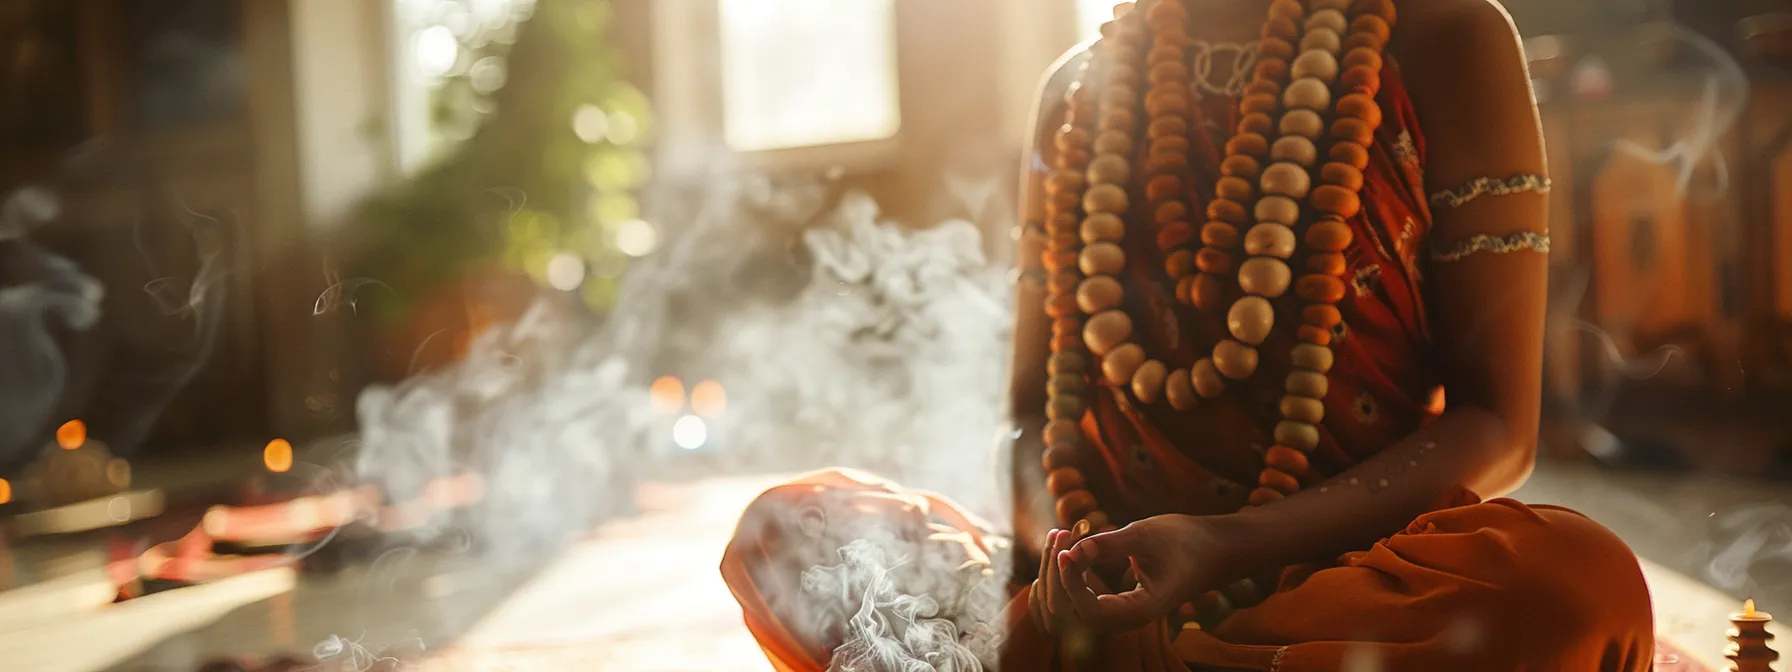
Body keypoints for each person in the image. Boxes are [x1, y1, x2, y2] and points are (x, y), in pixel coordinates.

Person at [723, 1, 1657, 670]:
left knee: (1573, 585)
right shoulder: (1077, 91)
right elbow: (1029, 415)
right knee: (790, 533)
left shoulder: (1445, 39)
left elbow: (1500, 425)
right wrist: (1076, 564)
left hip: (1343, 593)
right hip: (1092, 586)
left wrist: (1224, 546)